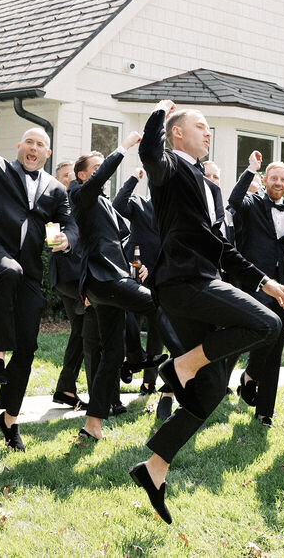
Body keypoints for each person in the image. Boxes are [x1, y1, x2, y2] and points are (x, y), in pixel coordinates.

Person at [130, 99, 284, 524]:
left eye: (208, 128)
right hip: (184, 283)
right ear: (177, 133)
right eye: (199, 126)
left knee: (209, 393)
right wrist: (159, 114)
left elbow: (220, 245)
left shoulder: (209, 184)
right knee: (267, 323)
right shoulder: (169, 167)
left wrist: (264, 281)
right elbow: (149, 154)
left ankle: (154, 469)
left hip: (205, 280)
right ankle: (182, 364)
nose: (207, 132)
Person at [0, 110, 79, 451]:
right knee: (8, 272)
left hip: (29, 269)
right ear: (19, 146)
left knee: (27, 347)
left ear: (48, 154)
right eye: (29, 141)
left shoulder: (56, 189)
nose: (34, 147)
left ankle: (9, 420)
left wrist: (67, 240)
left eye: (41, 144)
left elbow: (70, 225)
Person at [70, 135, 173, 441]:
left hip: (112, 280)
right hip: (103, 280)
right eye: (96, 168)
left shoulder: (102, 203)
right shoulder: (79, 195)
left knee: (112, 355)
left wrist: (131, 269)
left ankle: (92, 426)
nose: (102, 172)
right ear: (82, 175)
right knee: (156, 303)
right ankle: (180, 364)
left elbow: (115, 242)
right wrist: (124, 147)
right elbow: (102, 176)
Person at [227, 153, 284, 427]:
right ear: (266, 181)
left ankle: (264, 411)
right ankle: (242, 377)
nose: (278, 182)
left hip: (281, 285)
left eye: (283, 179)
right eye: (273, 178)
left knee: (277, 342)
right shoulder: (252, 203)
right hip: (254, 281)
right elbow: (233, 201)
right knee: (259, 334)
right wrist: (250, 171)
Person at [112, 166, 177, 409]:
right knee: (129, 321)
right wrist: (133, 179)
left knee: (158, 331)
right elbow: (117, 206)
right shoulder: (139, 203)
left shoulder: (174, 212)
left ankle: (149, 382)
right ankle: (127, 362)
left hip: (160, 276)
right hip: (133, 271)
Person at [50, 160, 91, 411]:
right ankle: (88, 389)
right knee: (87, 331)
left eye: (72, 176)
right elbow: (55, 242)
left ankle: (65, 388)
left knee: (80, 332)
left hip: (82, 276)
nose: (70, 181)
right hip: (68, 276)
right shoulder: (56, 205)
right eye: (65, 177)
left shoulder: (82, 202)